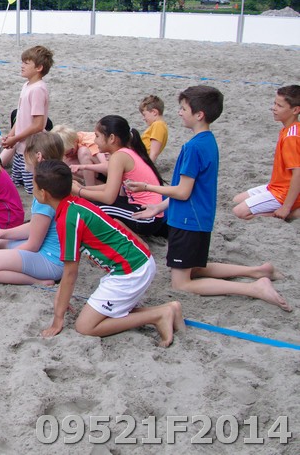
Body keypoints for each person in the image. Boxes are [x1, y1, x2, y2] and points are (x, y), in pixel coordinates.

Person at [128, 86, 291, 310]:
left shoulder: (193, 147)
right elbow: (190, 190)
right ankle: (258, 271)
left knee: (181, 283)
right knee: (194, 268)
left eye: (183, 108)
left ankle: (255, 288)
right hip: (197, 217)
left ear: (199, 114)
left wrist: (147, 187)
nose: (179, 112)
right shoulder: (208, 140)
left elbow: (183, 191)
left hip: (187, 221)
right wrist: (158, 208)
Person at [35, 160, 184, 347]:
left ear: (44, 193)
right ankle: (169, 309)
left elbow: (70, 273)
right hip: (137, 261)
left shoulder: (68, 219)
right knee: (102, 314)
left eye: (34, 186)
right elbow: (116, 222)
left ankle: (159, 315)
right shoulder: (75, 204)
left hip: (130, 271)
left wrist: (58, 317)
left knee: (85, 326)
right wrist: (61, 299)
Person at [0, 132, 65, 286]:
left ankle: (38, 282)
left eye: (25, 152)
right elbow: (35, 226)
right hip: (44, 250)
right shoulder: (53, 182)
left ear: (38, 157)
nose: (22, 156)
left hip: (50, 260)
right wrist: (2, 233)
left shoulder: (45, 192)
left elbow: (33, 245)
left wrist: (4, 255)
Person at [71, 115, 168, 238]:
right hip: (145, 209)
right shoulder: (125, 152)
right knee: (92, 204)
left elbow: (108, 197)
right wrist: (83, 188)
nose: (95, 141)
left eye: (97, 136)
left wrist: (79, 191)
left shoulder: (119, 157)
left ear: (112, 138)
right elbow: (110, 187)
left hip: (148, 216)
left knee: (93, 209)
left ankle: (138, 243)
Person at [232, 85, 300, 222]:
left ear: (295, 110)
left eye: (279, 106)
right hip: (276, 187)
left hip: (283, 192)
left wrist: (286, 207)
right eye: (274, 103)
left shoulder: (291, 137)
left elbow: (298, 173)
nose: (274, 108)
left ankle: (293, 214)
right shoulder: (288, 129)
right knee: (236, 200)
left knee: (239, 212)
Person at [0, 45, 54, 195]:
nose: (22, 65)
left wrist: (15, 138)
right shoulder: (27, 85)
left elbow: (38, 125)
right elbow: (21, 115)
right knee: (17, 183)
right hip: (21, 146)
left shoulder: (38, 89)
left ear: (39, 68)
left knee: (32, 190)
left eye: (26, 63)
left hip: (30, 148)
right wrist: (11, 135)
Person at [139, 95, 169, 163]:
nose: (144, 118)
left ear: (154, 112)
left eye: (144, 115)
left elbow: (154, 153)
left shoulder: (158, 125)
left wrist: (148, 167)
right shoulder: (160, 125)